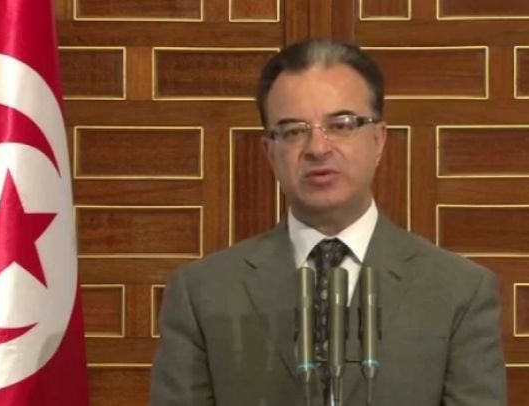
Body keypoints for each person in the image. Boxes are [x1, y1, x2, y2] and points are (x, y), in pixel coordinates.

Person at [150, 39, 506, 405]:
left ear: (379, 139)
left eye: (341, 125)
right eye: (293, 130)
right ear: (269, 152)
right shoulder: (202, 293)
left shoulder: (459, 291)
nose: (318, 148)